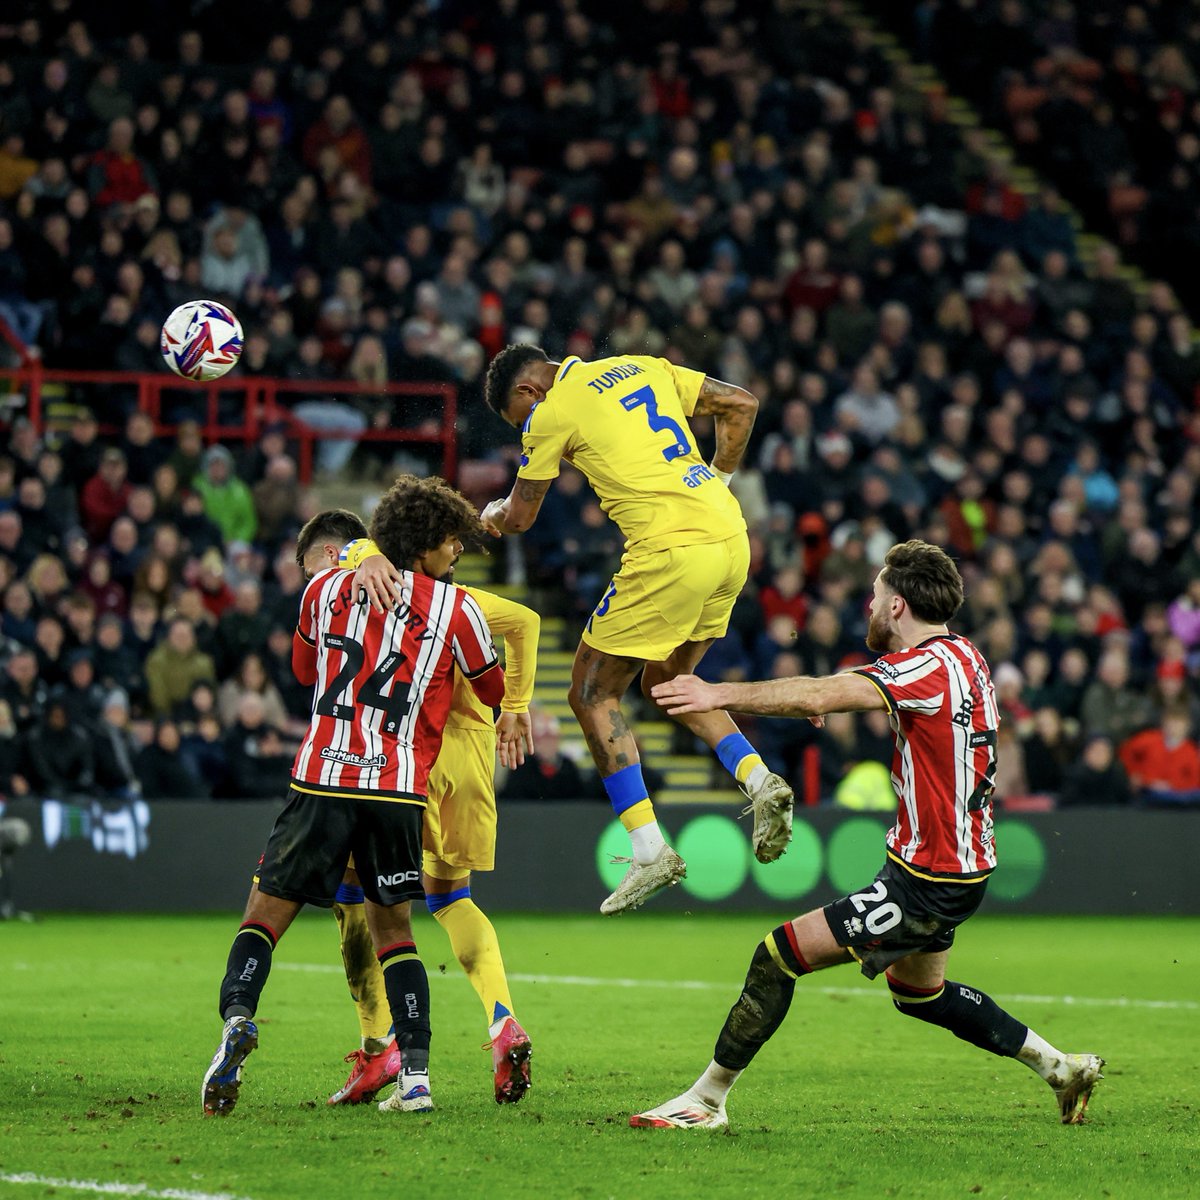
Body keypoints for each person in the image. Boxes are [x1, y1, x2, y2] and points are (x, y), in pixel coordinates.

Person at [631, 540, 1103, 1130]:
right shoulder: (964, 657)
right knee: (921, 996)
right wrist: (831, 698)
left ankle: (705, 1101)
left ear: (899, 607)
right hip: (953, 866)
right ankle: (1060, 1067)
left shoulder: (923, 669)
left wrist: (715, 693)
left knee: (777, 956)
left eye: (875, 597)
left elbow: (821, 689)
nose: (868, 607)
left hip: (929, 879)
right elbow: (865, 698)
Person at [201, 478, 505, 1117]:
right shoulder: (460, 609)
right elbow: (492, 686)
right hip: (396, 788)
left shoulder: (321, 590)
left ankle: (236, 1021)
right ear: (426, 543)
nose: (458, 551)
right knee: (395, 931)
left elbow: (306, 671)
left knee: (263, 915)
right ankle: (416, 1080)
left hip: (321, 779)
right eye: (451, 540)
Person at [478, 344, 793, 915]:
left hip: (669, 552)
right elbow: (741, 405)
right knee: (670, 682)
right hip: (731, 540)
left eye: (518, 419)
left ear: (527, 392)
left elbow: (521, 518)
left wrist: (491, 513)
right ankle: (759, 779)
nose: (526, 427)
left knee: (591, 693)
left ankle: (649, 850)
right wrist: (718, 478)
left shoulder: (549, 411)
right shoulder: (644, 365)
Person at [299, 500, 540, 1106]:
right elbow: (528, 623)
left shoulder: (381, 587)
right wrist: (515, 706)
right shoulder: (465, 605)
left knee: (358, 900)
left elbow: (348, 564)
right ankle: (502, 1018)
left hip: (410, 760)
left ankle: (379, 1048)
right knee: (452, 899)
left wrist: (363, 556)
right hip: (475, 761)